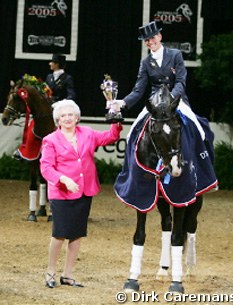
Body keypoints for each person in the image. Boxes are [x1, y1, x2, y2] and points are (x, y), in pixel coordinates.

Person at [39, 99, 122, 288]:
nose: (67, 118)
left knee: (77, 234)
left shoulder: (88, 133)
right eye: (63, 116)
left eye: (71, 115)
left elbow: (110, 137)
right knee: (59, 234)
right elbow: (46, 168)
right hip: (61, 193)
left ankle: (67, 275)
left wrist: (116, 119)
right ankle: (50, 272)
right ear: (57, 120)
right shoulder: (50, 140)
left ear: (77, 118)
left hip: (84, 190)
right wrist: (64, 179)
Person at [108, 21, 190, 132]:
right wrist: (122, 103)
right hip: (155, 103)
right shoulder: (145, 63)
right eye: (146, 40)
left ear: (159, 36)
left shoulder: (175, 55)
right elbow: (138, 90)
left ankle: (202, 149)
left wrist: (170, 97)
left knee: (197, 128)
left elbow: (180, 82)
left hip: (176, 101)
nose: (150, 42)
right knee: (133, 131)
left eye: (152, 38)